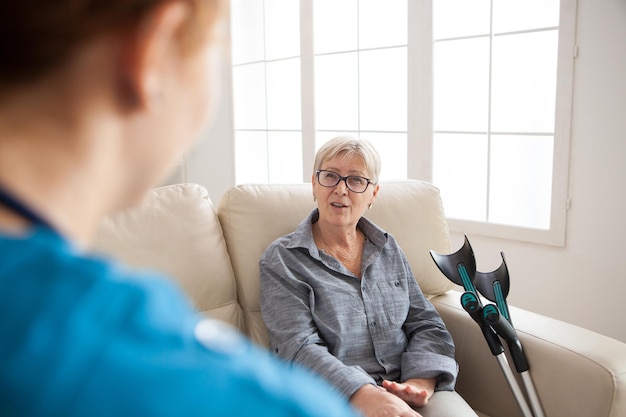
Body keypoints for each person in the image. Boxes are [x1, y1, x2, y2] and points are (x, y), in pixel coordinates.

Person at [0, 2, 360, 417]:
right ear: (155, 51)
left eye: (356, 181)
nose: (342, 191)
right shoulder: (267, 403)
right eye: (215, 45)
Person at [260, 136, 478, 417]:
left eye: (356, 180)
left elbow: (425, 322)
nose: (340, 189)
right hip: (336, 398)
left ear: (373, 193)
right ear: (314, 184)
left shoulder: (387, 248)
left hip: (413, 387)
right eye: (330, 176)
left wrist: (420, 382)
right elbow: (297, 347)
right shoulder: (283, 258)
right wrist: (363, 393)